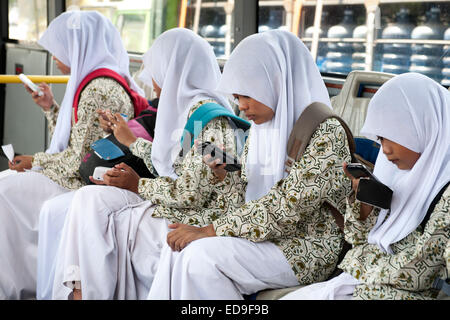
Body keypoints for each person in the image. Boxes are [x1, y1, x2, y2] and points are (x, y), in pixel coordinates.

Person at [146, 30, 353, 300]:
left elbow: (286, 206)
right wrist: (224, 177)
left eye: (247, 96)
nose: (241, 107)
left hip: (302, 247)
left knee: (201, 258)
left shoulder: (326, 133)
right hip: (260, 234)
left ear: (275, 82)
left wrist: (212, 230)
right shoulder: (263, 128)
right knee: (177, 246)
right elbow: (249, 195)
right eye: (237, 97)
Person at [48, 28, 246, 300]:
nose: (152, 81)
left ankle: (85, 293)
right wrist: (130, 143)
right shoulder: (191, 108)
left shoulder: (204, 118)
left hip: (196, 217)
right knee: (89, 199)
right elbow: (178, 165)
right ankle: (83, 291)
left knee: (93, 208)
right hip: (179, 204)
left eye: (156, 69)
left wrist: (138, 185)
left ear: (172, 68)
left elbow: (190, 193)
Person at [0, 10, 146, 299]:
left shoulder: (98, 88)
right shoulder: (94, 81)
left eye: (60, 49)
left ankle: (13, 284)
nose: (55, 57)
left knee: (5, 188)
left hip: (84, 180)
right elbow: (78, 143)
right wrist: (50, 108)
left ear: (79, 46)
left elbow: (78, 160)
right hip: (79, 172)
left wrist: (35, 160)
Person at [281, 72, 450, 300]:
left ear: (423, 127)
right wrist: (364, 208)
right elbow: (356, 239)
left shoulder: (445, 191)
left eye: (394, 136)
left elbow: (418, 272)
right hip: (366, 282)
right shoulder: (392, 169)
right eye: (381, 138)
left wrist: (359, 264)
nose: (385, 149)